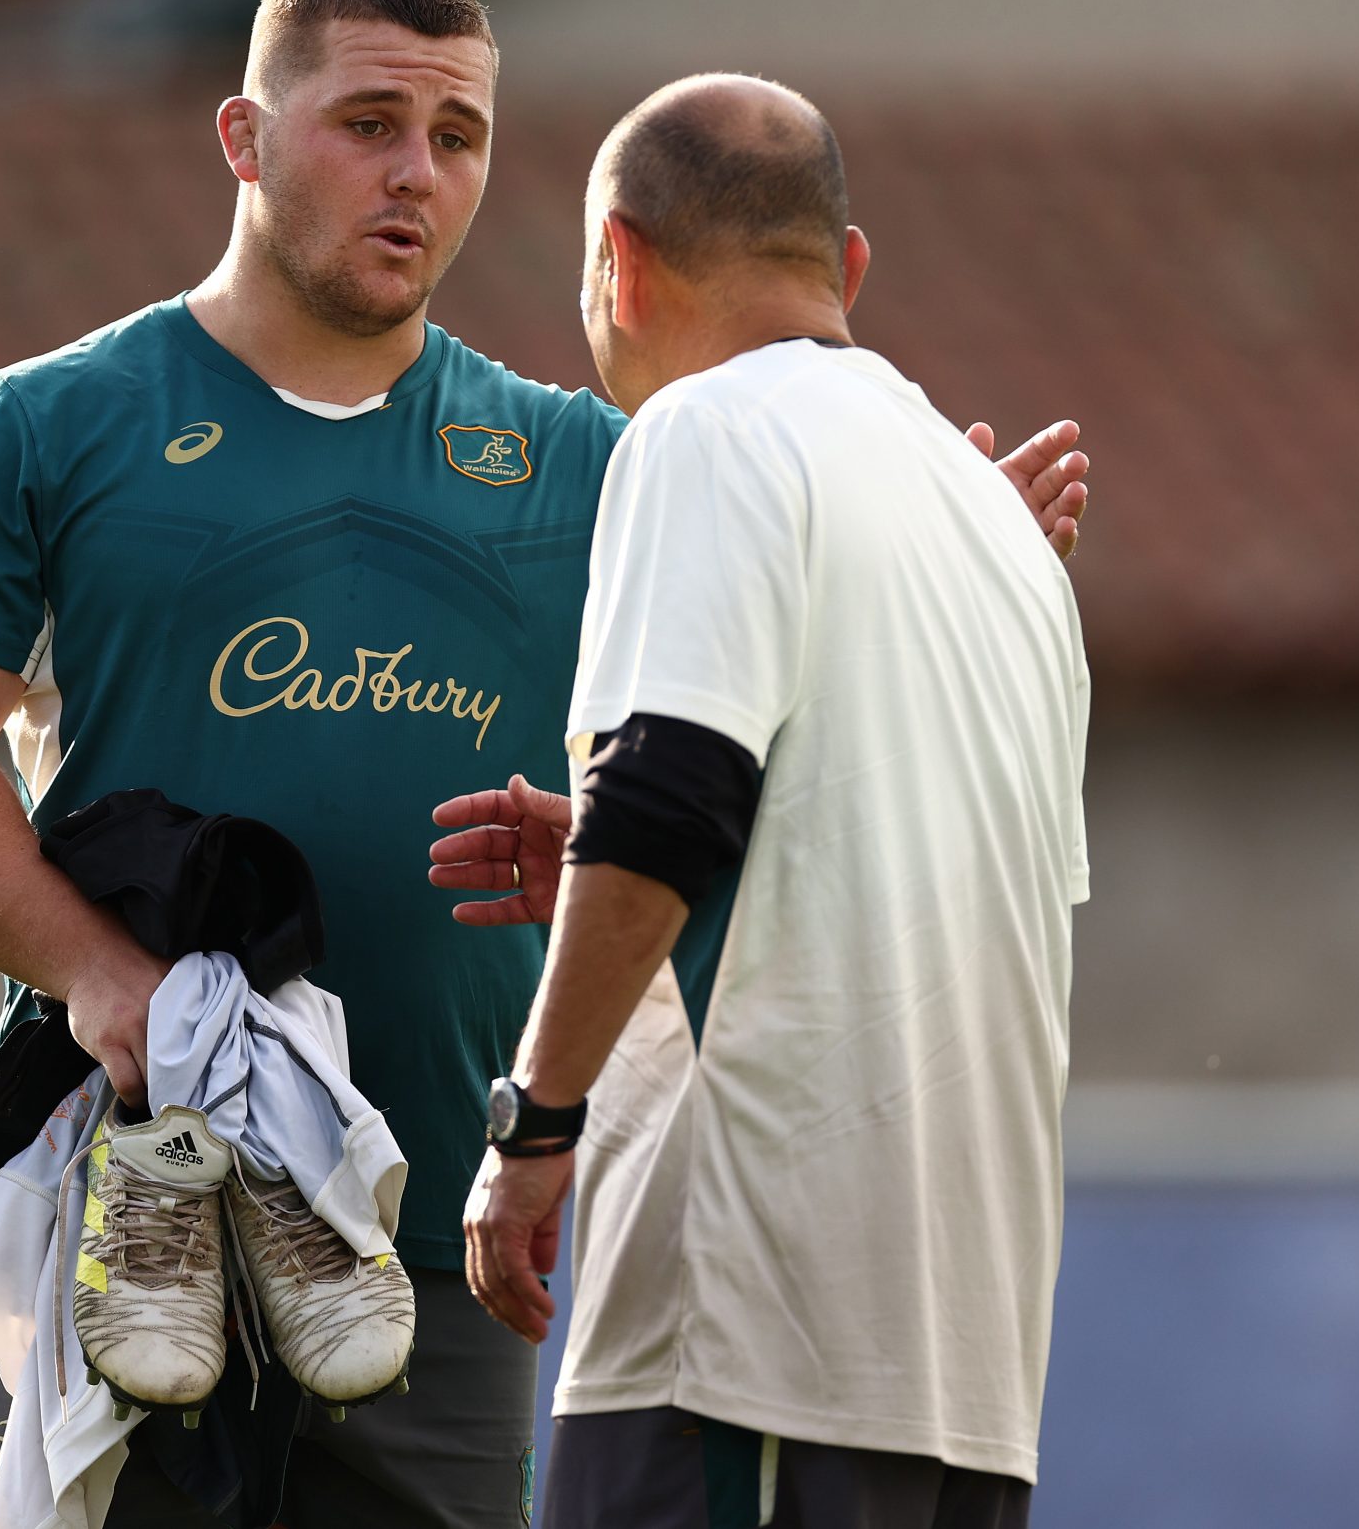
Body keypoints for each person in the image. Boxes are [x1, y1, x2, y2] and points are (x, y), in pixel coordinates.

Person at [0, 0, 1088, 1529]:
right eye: (367, 122)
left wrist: (938, 548)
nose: (417, 173)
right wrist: (96, 973)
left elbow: (768, 676)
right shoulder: (52, 424)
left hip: (441, 1265)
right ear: (244, 134)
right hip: (135, 1237)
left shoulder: (587, 457)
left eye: (459, 136)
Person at [455, 76, 1092, 1529]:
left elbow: (666, 801)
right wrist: (640, 867)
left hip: (744, 1337)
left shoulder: (701, 431)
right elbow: (938, 887)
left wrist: (534, 1126)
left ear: (617, 257)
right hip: (964, 1372)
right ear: (848, 266)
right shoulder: (998, 533)